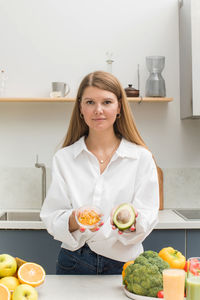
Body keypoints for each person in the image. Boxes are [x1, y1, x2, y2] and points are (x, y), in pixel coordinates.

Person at [40, 70, 159, 275]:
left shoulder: (142, 158)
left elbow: (148, 217)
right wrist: (76, 219)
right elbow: (52, 215)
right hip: (73, 262)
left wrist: (126, 221)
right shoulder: (64, 158)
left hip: (126, 265)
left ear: (119, 107)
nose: (98, 110)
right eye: (90, 102)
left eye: (106, 102)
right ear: (80, 108)